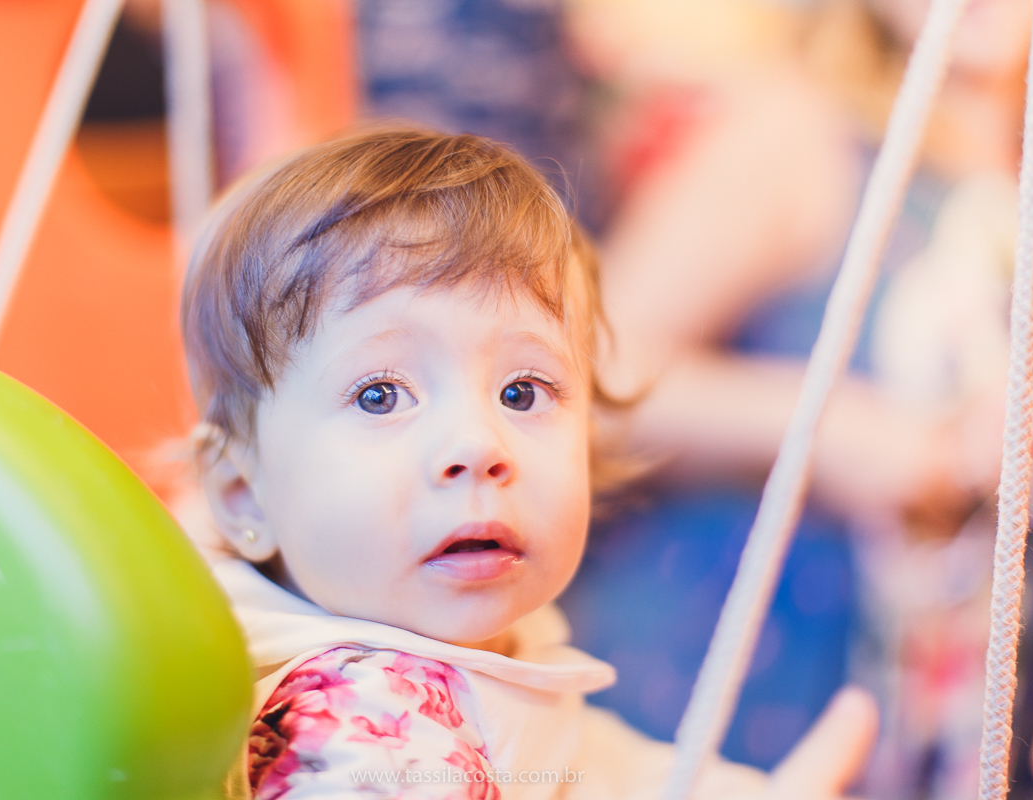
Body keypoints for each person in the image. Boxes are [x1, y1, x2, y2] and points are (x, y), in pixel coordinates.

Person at [177, 127, 878, 799]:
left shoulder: (471, 650)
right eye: (380, 396)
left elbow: (594, 771)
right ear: (242, 495)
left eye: (522, 392)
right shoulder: (368, 729)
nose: (478, 446)